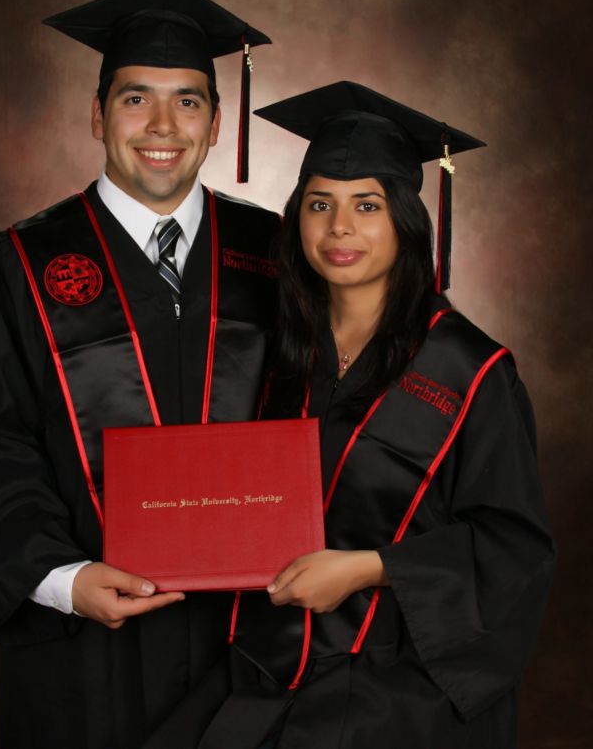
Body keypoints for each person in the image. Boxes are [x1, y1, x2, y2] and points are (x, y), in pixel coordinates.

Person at [0, 0, 279, 749]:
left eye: (188, 101)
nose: (163, 125)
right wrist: (63, 580)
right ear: (97, 115)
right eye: (136, 99)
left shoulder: (273, 254)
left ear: (217, 121)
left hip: (247, 643)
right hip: (85, 653)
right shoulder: (24, 260)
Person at [196, 82, 556, 749]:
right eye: (319, 205)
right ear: (294, 218)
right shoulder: (276, 352)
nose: (339, 229)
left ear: (406, 222)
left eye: (368, 205)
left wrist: (368, 569)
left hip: (402, 699)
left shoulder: (470, 371)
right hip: (267, 677)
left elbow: (515, 552)